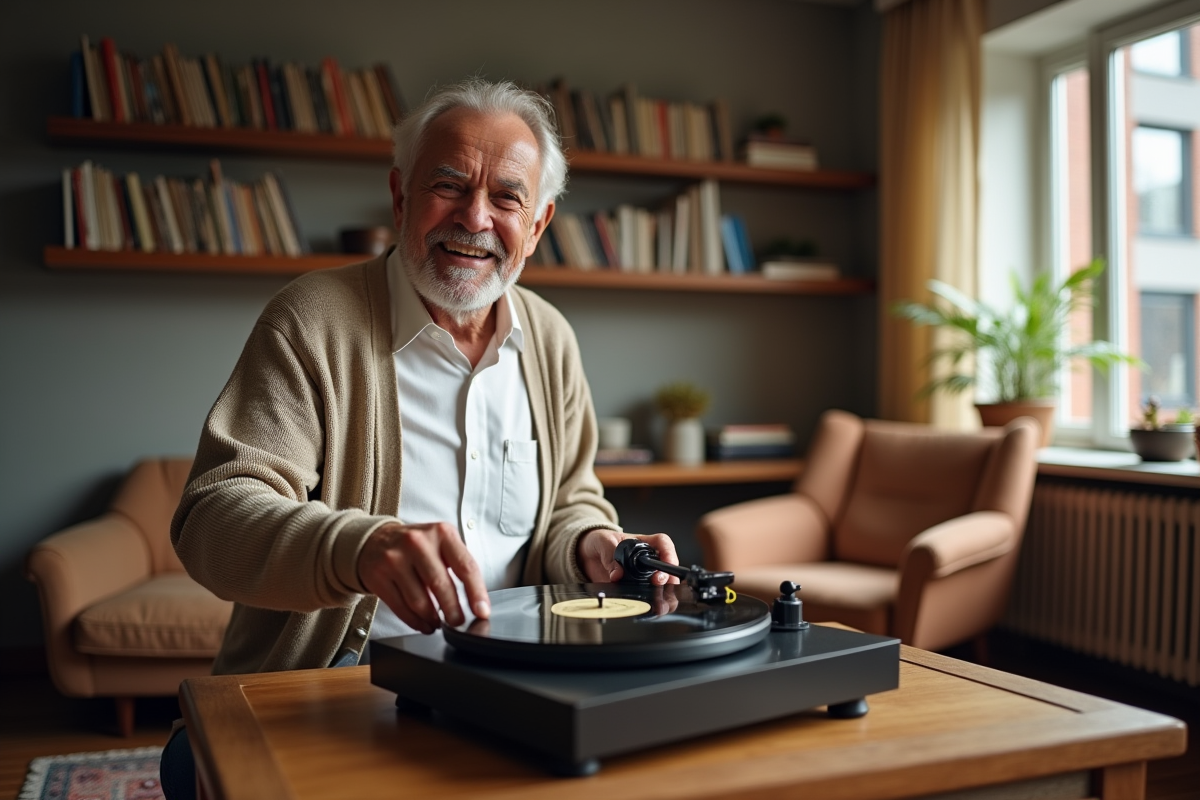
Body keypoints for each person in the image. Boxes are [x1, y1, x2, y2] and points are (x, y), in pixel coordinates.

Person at [159, 78, 678, 799]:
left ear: (538, 224)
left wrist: (594, 545)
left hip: (516, 688)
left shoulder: (551, 339)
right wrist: (361, 548)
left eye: (506, 197)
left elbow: (570, 503)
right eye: (448, 185)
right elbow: (213, 517)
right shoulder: (312, 319)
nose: (474, 218)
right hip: (338, 684)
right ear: (401, 197)